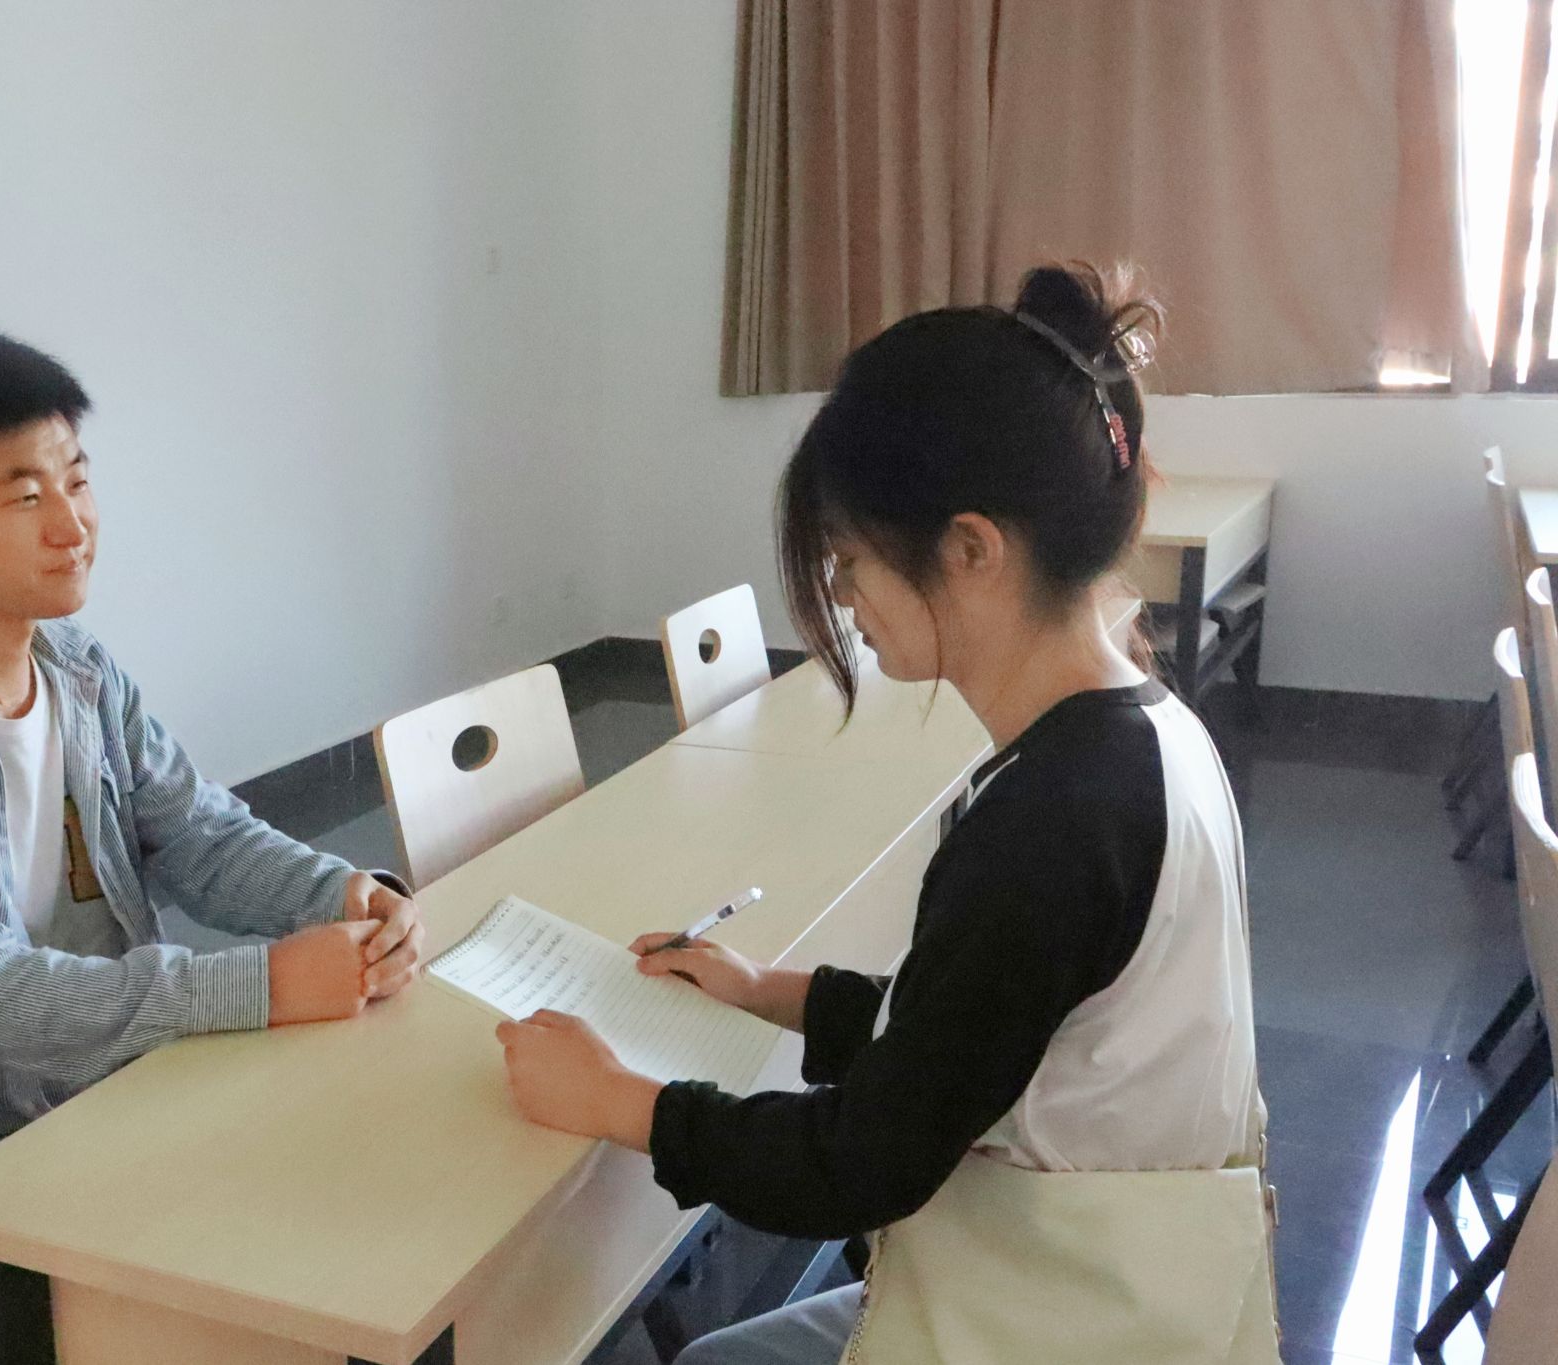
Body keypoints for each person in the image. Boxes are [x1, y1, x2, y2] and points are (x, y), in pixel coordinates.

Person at [494, 265, 1277, 1362]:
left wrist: (621, 1102)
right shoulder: (1140, 732)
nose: (842, 595)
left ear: (971, 549)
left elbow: (859, 1163)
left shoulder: (1057, 818)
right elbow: (970, 1029)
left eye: (851, 558)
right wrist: (770, 992)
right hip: (1118, 1283)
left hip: (1060, 1321)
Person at [0, 324, 424, 1324]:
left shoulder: (77, 667)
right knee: (275, 1292)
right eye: (25, 496)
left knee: (368, 1193)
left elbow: (200, 834)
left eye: (78, 480)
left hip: (96, 1097)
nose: (73, 525)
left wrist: (344, 893)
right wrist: (265, 982)